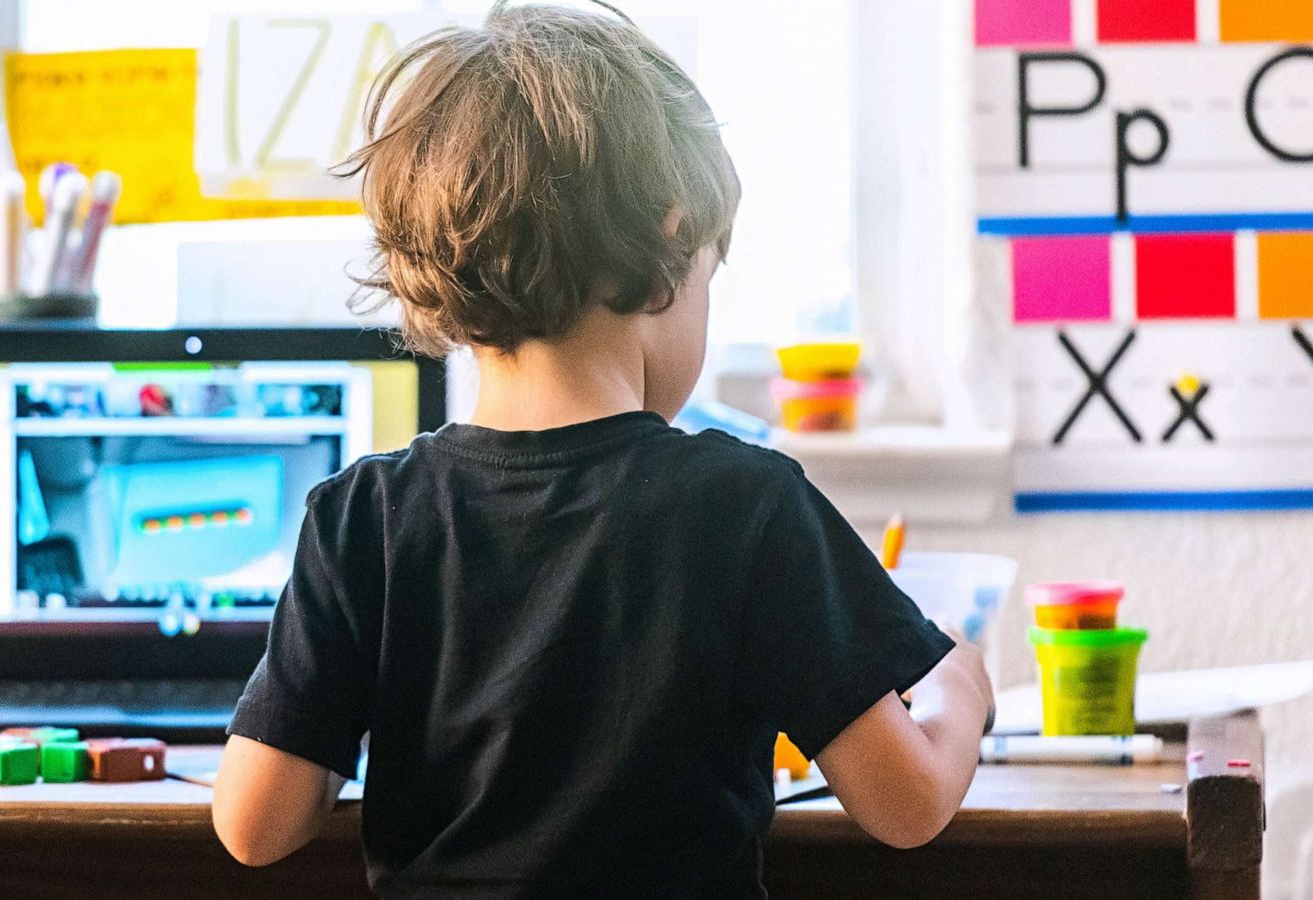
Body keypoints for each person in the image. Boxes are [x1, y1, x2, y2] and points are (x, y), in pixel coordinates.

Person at [213, 3, 993, 895]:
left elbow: (253, 825)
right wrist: (960, 684)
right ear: (671, 233)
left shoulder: (363, 516)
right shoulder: (744, 504)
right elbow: (908, 805)